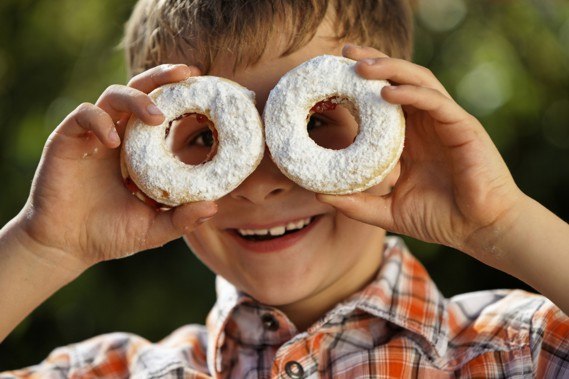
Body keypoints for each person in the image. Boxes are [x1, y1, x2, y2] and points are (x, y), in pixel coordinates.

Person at [1, 0, 568, 377]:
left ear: (399, 131)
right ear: (145, 169)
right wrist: (42, 247)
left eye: (316, 124)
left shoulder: (519, 350)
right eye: (206, 137)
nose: (260, 186)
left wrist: (503, 226)